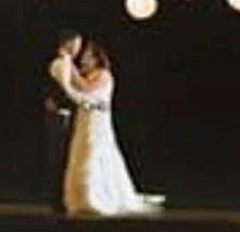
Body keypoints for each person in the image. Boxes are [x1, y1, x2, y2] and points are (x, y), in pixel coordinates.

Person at [60, 38, 162, 217]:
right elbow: (77, 88)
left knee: (93, 153)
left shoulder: (103, 74)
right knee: (81, 152)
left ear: (96, 58)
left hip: (98, 122)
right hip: (85, 119)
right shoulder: (88, 74)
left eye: (87, 57)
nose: (83, 60)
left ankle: (93, 198)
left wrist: (69, 64)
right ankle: (80, 199)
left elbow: (84, 88)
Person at [42, 30, 81, 214]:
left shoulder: (68, 63)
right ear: (68, 43)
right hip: (58, 114)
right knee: (58, 158)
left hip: (63, 114)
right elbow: (66, 90)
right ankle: (56, 200)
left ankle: (61, 199)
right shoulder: (61, 62)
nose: (78, 48)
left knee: (63, 157)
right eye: (76, 44)